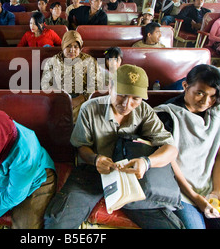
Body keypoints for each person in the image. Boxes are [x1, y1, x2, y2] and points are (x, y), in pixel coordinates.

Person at [44, 64, 183, 229]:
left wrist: (147, 163)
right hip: (91, 172)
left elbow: (170, 148)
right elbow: (81, 147)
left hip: (130, 175)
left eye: (135, 99)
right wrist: (96, 159)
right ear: (110, 87)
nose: (126, 104)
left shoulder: (144, 111)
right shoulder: (90, 109)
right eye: (121, 95)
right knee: (58, 223)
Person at [155, 65, 220, 229]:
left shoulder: (218, 115)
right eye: (200, 93)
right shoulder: (167, 115)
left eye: (213, 96)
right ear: (185, 86)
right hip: (178, 186)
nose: (206, 101)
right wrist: (195, 197)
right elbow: (168, 162)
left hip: (209, 184)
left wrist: (217, 190)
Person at [41, 30, 99, 121]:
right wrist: (60, 98)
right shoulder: (52, 62)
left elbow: (95, 84)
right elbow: (45, 85)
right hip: (59, 99)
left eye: (76, 47)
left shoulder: (89, 61)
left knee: (84, 115)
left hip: (83, 100)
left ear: (80, 48)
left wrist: (80, 99)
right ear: (63, 46)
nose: (72, 50)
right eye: (68, 46)